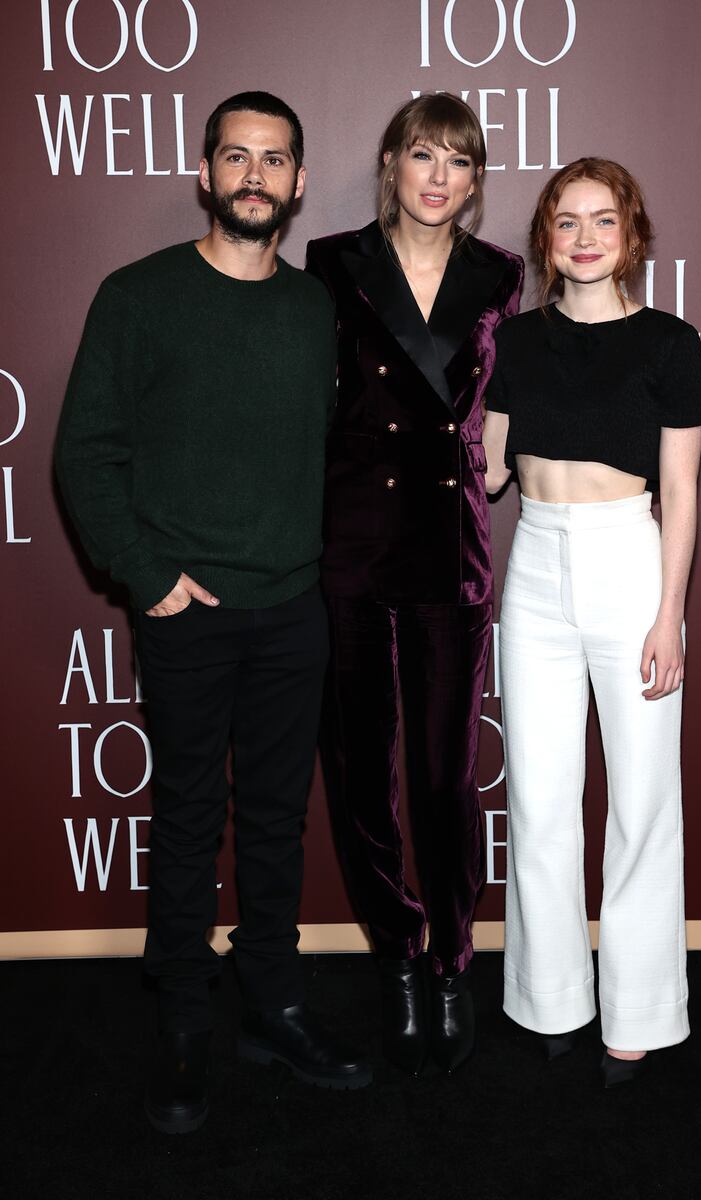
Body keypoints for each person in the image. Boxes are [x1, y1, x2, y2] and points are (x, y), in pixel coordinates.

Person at [56, 90, 371, 1135]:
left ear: (295, 182)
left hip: (293, 610)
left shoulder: (313, 308)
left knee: (278, 821)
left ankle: (270, 1002)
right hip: (185, 609)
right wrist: (145, 575)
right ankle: (185, 1020)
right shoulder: (136, 296)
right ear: (204, 174)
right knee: (190, 818)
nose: (252, 176)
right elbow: (84, 453)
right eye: (234, 157)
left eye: (272, 160)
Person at [306, 93, 524, 1075]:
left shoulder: (501, 276)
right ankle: (394, 954)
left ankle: (448, 961)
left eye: (459, 162)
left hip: (449, 545)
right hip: (350, 543)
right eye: (422, 155)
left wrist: (507, 462)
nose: (439, 176)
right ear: (390, 163)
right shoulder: (332, 265)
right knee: (360, 773)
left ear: (475, 182)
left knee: (442, 775)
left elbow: (514, 403)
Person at [483, 157, 701, 1086]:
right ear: (545, 238)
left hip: (630, 564)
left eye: (602, 221)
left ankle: (640, 1010)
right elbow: (486, 472)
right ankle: (550, 999)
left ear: (632, 235)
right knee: (539, 798)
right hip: (533, 566)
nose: (584, 238)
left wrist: (670, 612)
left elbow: (684, 490)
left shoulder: (670, 342)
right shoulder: (516, 341)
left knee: (643, 800)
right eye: (566, 222)